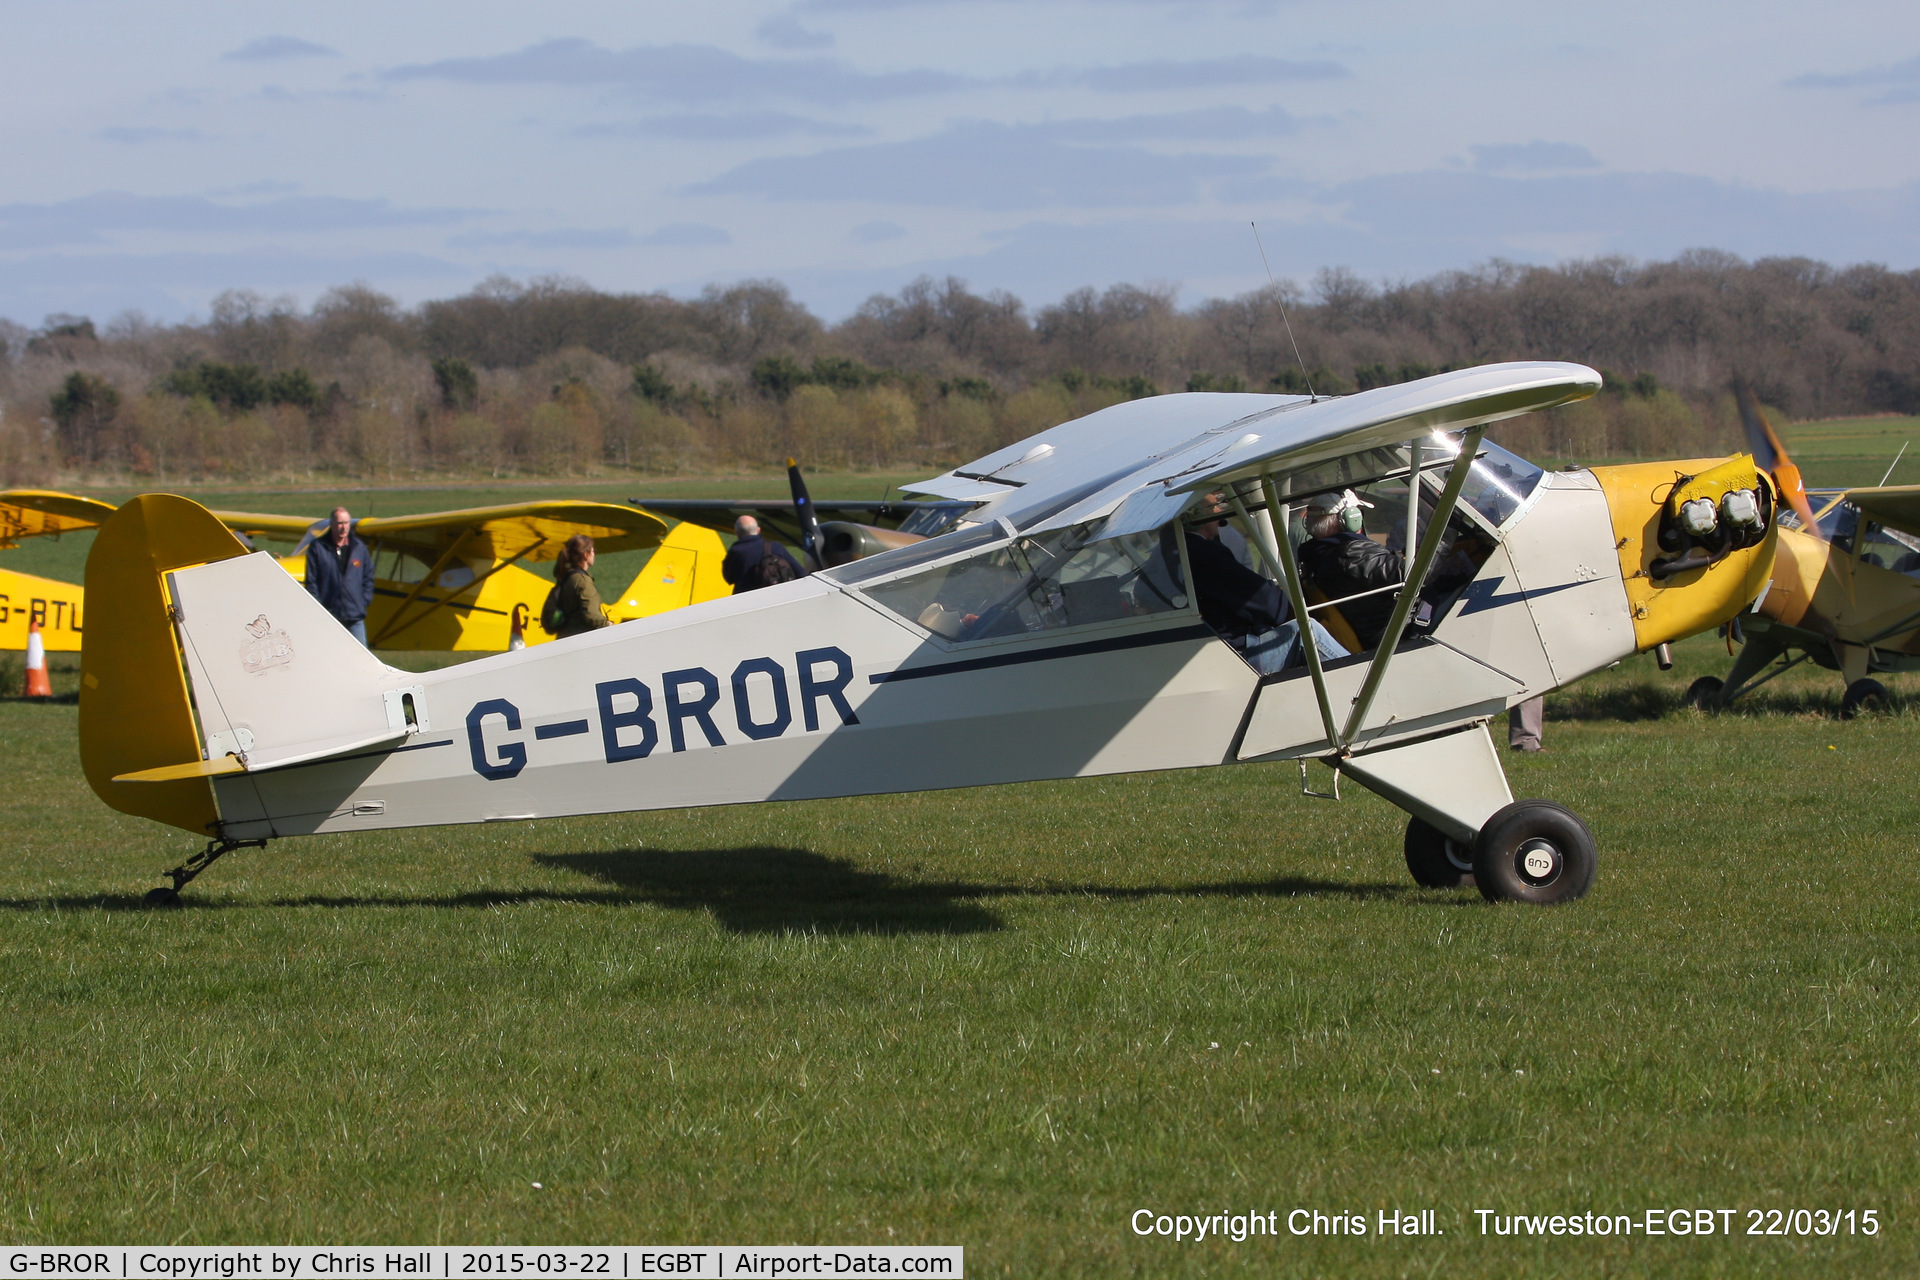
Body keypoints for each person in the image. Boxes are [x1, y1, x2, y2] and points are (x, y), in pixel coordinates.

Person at [1186, 503, 1346, 676]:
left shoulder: (1172, 551)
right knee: (1307, 632)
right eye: (1213, 507)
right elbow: (1264, 600)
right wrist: (1290, 606)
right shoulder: (1203, 554)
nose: (1219, 515)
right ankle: (1362, 684)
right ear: (1196, 515)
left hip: (1210, 654)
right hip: (1237, 655)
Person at [1297, 489, 1406, 651]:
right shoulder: (1352, 554)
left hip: (1371, 635)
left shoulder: (1315, 555)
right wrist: (1442, 543)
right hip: (1398, 635)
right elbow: (1414, 574)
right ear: (1349, 519)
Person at [304, 506, 375, 645]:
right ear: (331, 524)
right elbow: (311, 582)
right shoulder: (318, 547)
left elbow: (368, 577)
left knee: (362, 658)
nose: (344, 527)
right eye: (340, 523)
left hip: (354, 615)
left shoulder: (359, 547)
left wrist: (363, 601)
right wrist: (319, 607)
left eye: (346, 523)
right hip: (329, 616)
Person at [547, 533, 610, 638]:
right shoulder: (582, 581)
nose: (594, 554)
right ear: (586, 555)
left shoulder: (566, 577)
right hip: (581, 639)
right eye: (593, 551)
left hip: (564, 637)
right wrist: (607, 624)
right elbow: (591, 614)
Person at [721, 515, 804, 592]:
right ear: (758, 530)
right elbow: (800, 572)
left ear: (737, 532)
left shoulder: (735, 551)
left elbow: (728, 578)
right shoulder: (775, 546)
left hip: (747, 601)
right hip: (776, 596)